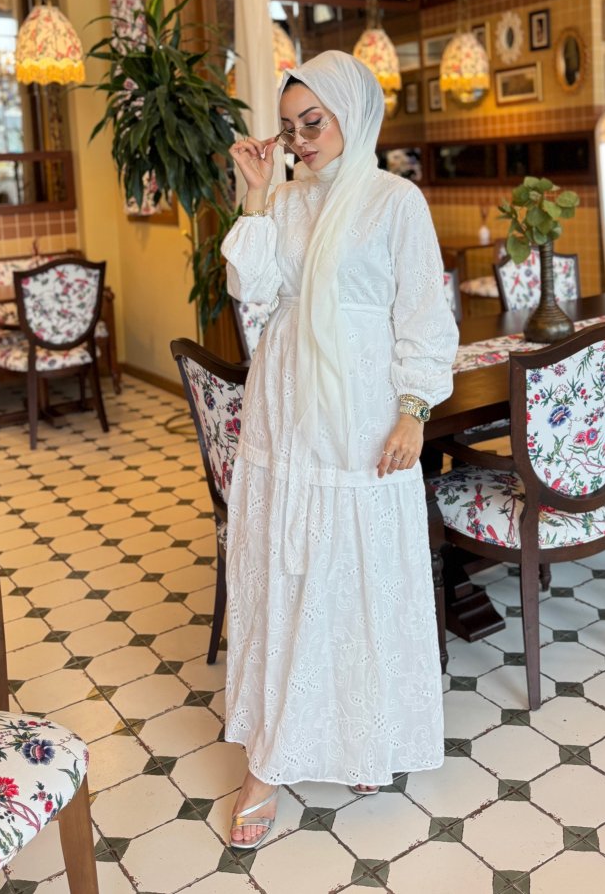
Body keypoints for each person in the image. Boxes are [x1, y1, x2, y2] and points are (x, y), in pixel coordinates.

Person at [221, 50, 458, 849]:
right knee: (288, 570)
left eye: (313, 122)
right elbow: (249, 288)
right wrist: (256, 195)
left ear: (352, 116)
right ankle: (267, 760)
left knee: (359, 570)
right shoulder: (285, 200)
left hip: (361, 416)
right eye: (290, 127)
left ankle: (360, 730)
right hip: (287, 412)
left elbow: (423, 316)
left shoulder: (396, 201)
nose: (299, 140)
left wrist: (413, 410)